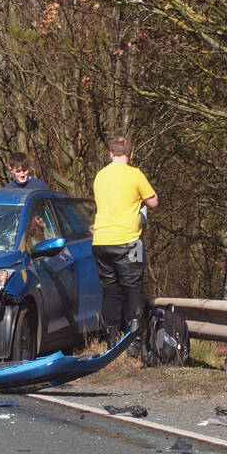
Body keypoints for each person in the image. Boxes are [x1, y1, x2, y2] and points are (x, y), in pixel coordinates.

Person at [91, 135, 158, 348]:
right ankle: (133, 340)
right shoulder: (135, 174)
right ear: (130, 154)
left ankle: (111, 340)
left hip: (101, 241)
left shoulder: (100, 176)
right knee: (133, 289)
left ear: (111, 154)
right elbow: (153, 202)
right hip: (129, 241)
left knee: (110, 290)